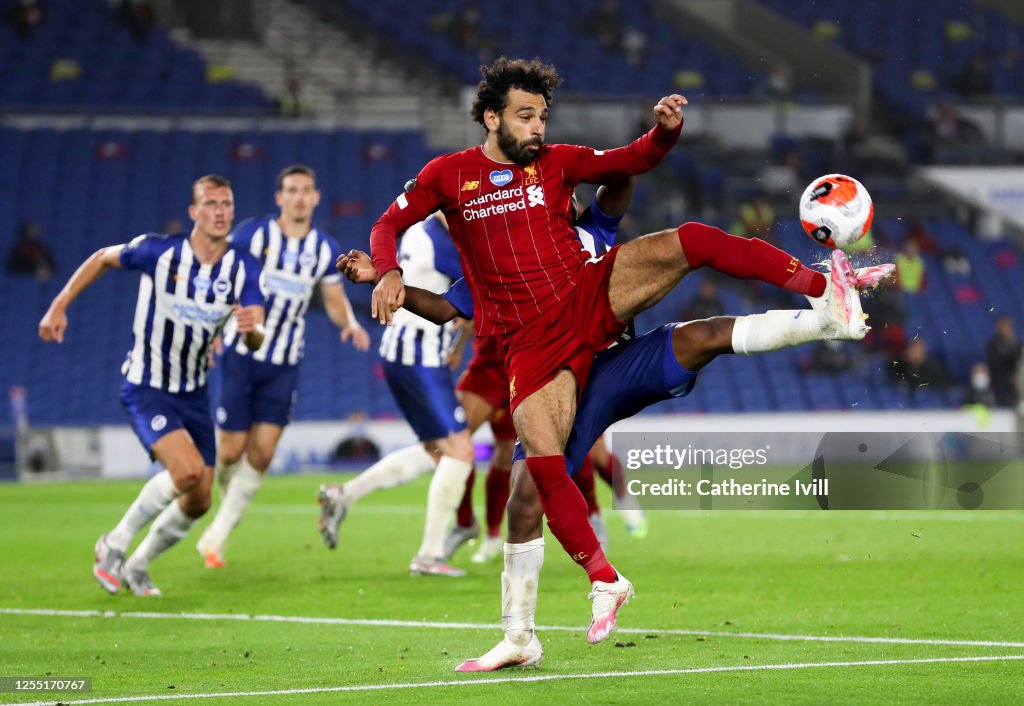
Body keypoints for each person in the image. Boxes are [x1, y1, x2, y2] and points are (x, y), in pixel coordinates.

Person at [367, 57, 868, 654]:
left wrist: (663, 132)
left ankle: (825, 292)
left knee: (696, 241)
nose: (538, 129)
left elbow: (628, 164)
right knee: (536, 482)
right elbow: (386, 228)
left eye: (543, 117)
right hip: (534, 345)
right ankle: (534, 626)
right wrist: (385, 272)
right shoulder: (450, 176)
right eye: (526, 117)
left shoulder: (561, 166)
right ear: (491, 116)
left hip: (587, 297)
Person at [340, 243, 892, 671]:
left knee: (704, 335)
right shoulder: (499, 261)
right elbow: (445, 306)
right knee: (523, 501)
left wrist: (656, 137)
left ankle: (827, 320)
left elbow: (619, 187)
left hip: (615, 363)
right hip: (560, 382)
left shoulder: (585, 225)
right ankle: (518, 639)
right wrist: (389, 281)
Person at [38, 175, 264, 596]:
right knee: (188, 471)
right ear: (194, 212)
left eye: (226, 204)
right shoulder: (158, 251)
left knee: (200, 500)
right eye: (210, 204)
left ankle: (138, 565)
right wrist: (60, 303)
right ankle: (115, 543)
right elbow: (104, 257)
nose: (219, 211)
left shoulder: (243, 267)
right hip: (147, 385)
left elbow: (257, 332)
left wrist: (251, 331)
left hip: (194, 393)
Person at [194, 164, 369, 568]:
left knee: (262, 452)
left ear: (316, 198)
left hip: (284, 361)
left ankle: (217, 535)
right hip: (242, 356)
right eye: (291, 190)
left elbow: (333, 300)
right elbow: (222, 281)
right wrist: (213, 330)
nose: (299, 197)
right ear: (280, 197)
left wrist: (350, 325)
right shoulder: (253, 235)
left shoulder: (324, 248)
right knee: (231, 451)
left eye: (306, 190)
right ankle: (221, 505)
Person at [318, 203, 475, 577]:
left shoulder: (421, 231)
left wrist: (456, 344)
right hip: (417, 351)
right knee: (461, 450)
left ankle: (345, 496)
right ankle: (430, 555)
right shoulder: (441, 242)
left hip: (407, 350)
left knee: (438, 451)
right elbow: (476, 289)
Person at [986, 315, 1021, 407]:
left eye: (1007, 326)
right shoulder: (993, 344)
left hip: (1016, 377)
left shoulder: (1017, 344)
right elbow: (996, 363)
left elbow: (1019, 360)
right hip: (1001, 380)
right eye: (1003, 326)